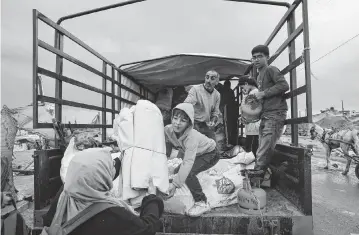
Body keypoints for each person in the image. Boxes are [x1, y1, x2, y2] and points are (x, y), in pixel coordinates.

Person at [42, 148, 164, 235]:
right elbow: (147, 228)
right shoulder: (112, 214)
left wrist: (120, 160)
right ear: (102, 178)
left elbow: (97, 175)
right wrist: (152, 198)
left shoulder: (64, 193)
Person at [164, 103, 220, 217]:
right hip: (198, 153)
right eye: (175, 118)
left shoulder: (191, 137)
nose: (177, 123)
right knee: (177, 172)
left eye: (183, 120)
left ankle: (201, 201)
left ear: (189, 123)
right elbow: (164, 146)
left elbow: (188, 162)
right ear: (172, 118)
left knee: (188, 173)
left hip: (211, 153)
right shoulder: (168, 130)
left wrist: (175, 185)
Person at [249, 45, 289, 179]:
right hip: (267, 114)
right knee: (263, 145)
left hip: (276, 113)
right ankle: (263, 173)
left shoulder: (271, 69)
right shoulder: (259, 75)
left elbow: (284, 85)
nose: (256, 60)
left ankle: (257, 176)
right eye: (254, 57)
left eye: (260, 56)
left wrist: (263, 94)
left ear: (267, 57)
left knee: (264, 147)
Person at [184, 70, 221, 140]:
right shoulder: (195, 89)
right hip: (194, 123)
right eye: (207, 77)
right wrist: (190, 102)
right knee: (193, 146)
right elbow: (186, 104)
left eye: (212, 78)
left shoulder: (217, 95)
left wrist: (213, 122)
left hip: (206, 125)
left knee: (213, 146)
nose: (208, 81)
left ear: (217, 82)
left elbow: (215, 112)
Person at [240, 77, 260, 157]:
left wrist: (244, 96)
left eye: (242, 87)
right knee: (254, 143)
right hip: (255, 121)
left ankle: (251, 162)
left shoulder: (253, 93)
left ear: (246, 84)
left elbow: (244, 107)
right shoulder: (256, 92)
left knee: (251, 145)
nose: (243, 89)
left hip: (253, 122)